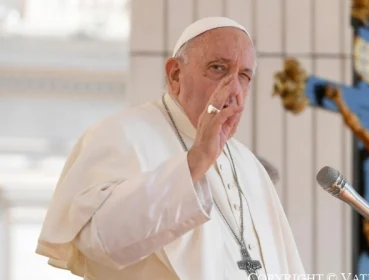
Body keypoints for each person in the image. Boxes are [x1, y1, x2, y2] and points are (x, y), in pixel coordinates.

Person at [36, 17, 305, 280]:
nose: (233, 89)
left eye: (244, 76)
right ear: (175, 74)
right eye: (218, 68)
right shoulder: (121, 134)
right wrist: (195, 162)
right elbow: (97, 240)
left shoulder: (249, 165)